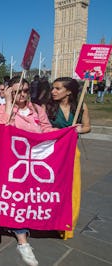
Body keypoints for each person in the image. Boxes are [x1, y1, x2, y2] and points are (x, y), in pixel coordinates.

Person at [0, 77, 56, 266]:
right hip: (14, 163)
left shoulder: (37, 109)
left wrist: (66, 132)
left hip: (35, 162)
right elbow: (2, 130)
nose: (22, 94)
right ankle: (22, 241)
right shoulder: (2, 109)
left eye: (25, 90)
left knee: (30, 196)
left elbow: (47, 129)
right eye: (17, 91)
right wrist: (7, 102)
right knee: (16, 198)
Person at [46, 77, 90, 240]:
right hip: (52, 154)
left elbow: (87, 127)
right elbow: (41, 127)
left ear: (69, 91)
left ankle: (66, 225)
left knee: (72, 188)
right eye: (53, 88)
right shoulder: (48, 107)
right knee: (51, 189)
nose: (53, 91)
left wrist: (79, 130)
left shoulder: (81, 107)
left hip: (71, 153)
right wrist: (53, 130)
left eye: (58, 89)